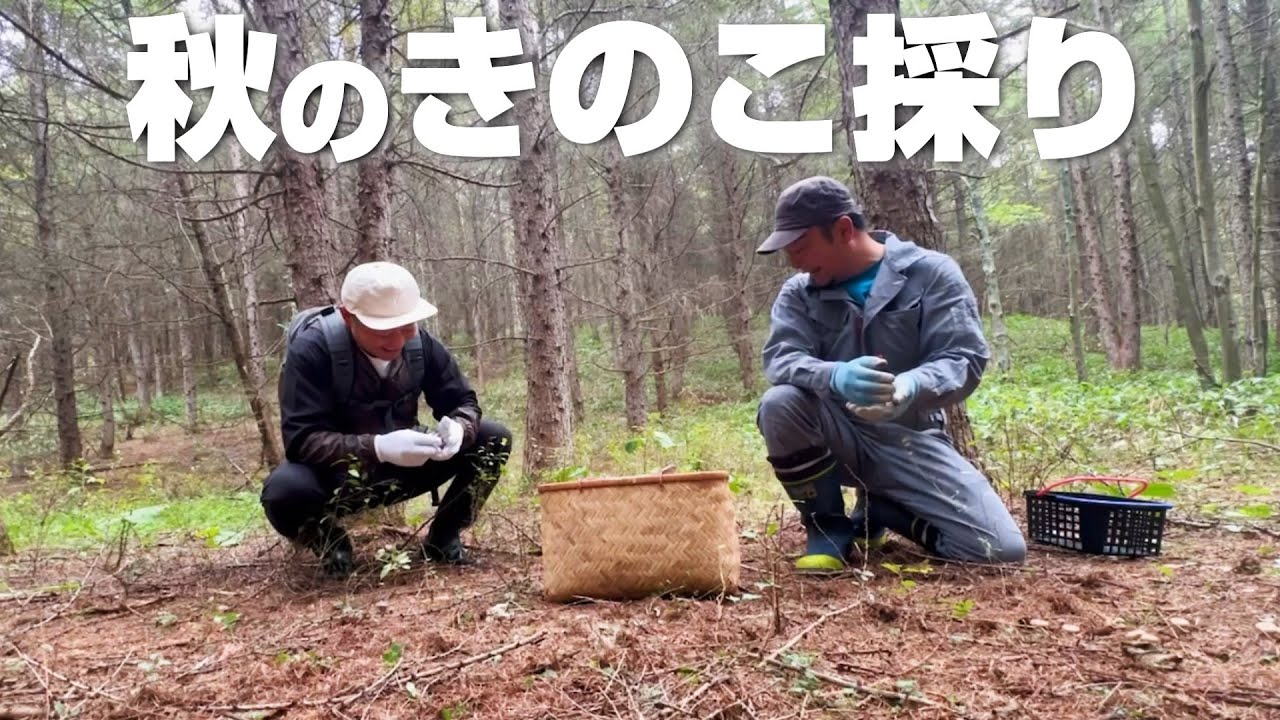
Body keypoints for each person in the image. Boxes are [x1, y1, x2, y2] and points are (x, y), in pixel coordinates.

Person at [755, 175, 1026, 572]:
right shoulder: (798, 292)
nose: (794, 260)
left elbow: (963, 357)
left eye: (801, 246)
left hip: (910, 439)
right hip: (835, 436)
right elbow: (781, 356)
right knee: (780, 403)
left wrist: (912, 384)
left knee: (999, 551)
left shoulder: (931, 273)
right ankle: (828, 531)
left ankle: (886, 511)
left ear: (843, 229)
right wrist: (833, 375)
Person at [260, 261, 512, 577]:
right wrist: (378, 447)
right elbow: (301, 440)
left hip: (410, 468)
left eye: (406, 327)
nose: (397, 341)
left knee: (494, 437)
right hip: (339, 478)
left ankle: (444, 536)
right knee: (283, 490)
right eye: (383, 329)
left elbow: (462, 401)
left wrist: (460, 427)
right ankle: (330, 542)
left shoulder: (421, 345)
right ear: (347, 316)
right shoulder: (313, 350)